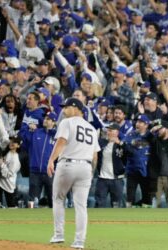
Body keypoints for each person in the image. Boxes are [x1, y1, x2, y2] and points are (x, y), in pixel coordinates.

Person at [47, 98, 100, 249]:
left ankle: (58, 235)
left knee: (58, 199)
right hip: (86, 167)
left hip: (67, 164)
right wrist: (90, 172)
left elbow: (61, 142)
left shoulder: (67, 122)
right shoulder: (91, 128)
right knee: (81, 206)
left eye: (67, 107)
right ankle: (79, 242)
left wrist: (51, 160)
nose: (64, 110)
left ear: (76, 108)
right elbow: (95, 155)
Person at [95, 122, 126, 208]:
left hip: (117, 179)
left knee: (116, 205)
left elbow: (130, 153)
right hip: (102, 178)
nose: (108, 132)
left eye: (111, 130)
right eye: (108, 130)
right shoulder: (101, 142)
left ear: (117, 132)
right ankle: (97, 221)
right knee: (99, 204)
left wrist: (120, 143)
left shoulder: (122, 144)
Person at [0, 135, 21, 208]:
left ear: (18, 146)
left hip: (9, 185)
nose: (12, 143)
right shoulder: (6, 152)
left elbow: (8, 174)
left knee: (11, 206)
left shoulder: (15, 159)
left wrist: (1, 164)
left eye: (15, 142)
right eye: (11, 141)